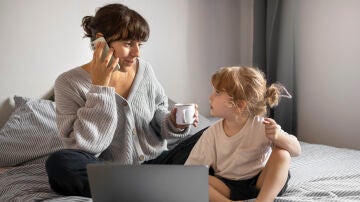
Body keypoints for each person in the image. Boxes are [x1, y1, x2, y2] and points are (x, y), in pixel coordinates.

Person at [45, 3, 199, 197]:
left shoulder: (145, 70)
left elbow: (160, 119)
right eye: (128, 44)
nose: (137, 53)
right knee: (60, 164)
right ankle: (158, 188)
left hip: (159, 163)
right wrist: (101, 88)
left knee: (213, 135)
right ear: (100, 43)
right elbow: (83, 147)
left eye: (139, 44)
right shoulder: (68, 83)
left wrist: (174, 122)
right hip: (113, 171)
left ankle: (143, 188)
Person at [185, 66, 301, 202]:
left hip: (261, 183)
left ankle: (263, 200)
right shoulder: (211, 134)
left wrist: (278, 137)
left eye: (217, 92)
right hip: (228, 186)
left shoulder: (261, 126)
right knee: (195, 179)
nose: (210, 97)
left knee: (282, 154)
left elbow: (296, 150)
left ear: (239, 105)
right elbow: (190, 171)